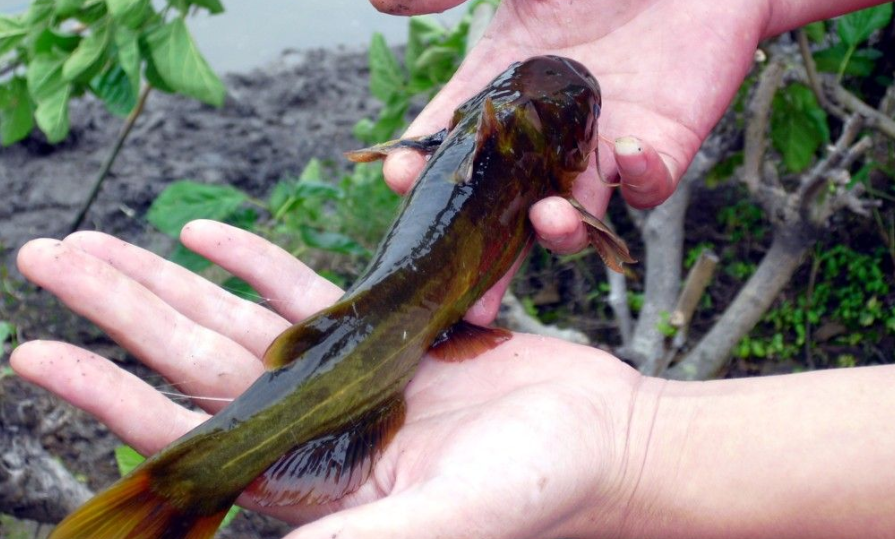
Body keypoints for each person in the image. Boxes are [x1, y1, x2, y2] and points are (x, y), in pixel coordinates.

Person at [10, 0, 895, 537]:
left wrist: (634, 454)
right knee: (341, 353)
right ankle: (188, 482)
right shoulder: (541, 174)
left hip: (377, 342)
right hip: (380, 344)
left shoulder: (482, 137)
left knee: (339, 352)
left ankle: (189, 481)